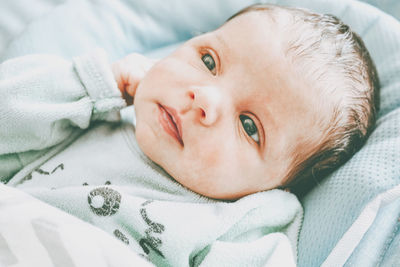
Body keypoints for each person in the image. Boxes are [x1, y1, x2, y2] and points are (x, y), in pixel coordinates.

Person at [0, 3, 379, 266]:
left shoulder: (244, 225)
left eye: (249, 126)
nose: (204, 98)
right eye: (209, 60)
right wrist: (88, 85)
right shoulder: (91, 115)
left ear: (276, 188)